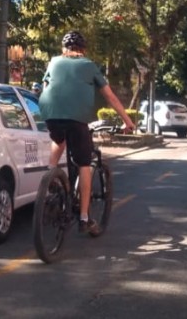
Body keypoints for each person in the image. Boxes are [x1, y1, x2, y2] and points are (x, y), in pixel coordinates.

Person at [39, 30, 135, 236]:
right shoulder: (89, 65)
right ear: (83, 50)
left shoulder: (54, 62)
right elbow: (109, 96)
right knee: (84, 163)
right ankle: (84, 218)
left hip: (50, 113)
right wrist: (127, 121)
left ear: (64, 49)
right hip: (77, 118)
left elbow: (46, 87)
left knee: (59, 139)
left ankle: (50, 176)